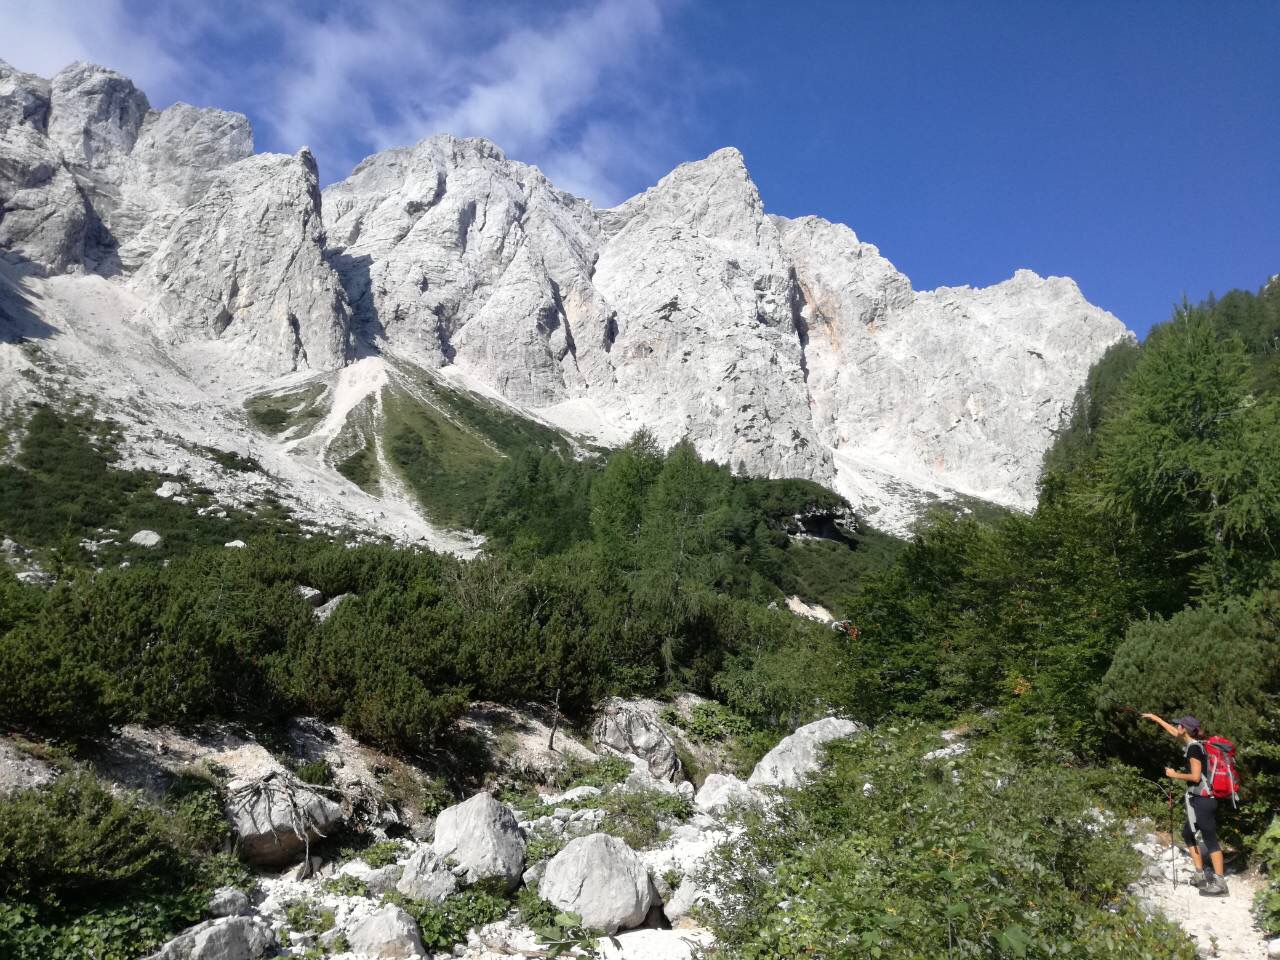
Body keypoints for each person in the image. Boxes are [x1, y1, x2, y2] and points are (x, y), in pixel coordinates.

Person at [1141, 712, 1228, 897]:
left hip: (1204, 800)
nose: (1177, 728)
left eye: (1179, 725)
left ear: (1185, 729)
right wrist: (1155, 718)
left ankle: (1221, 884)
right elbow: (1174, 732)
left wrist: (1174, 775)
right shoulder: (1192, 743)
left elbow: (1196, 777)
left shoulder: (1194, 749)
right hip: (1197, 799)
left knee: (1210, 839)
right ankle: (1199, 875)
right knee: (1188, 833)